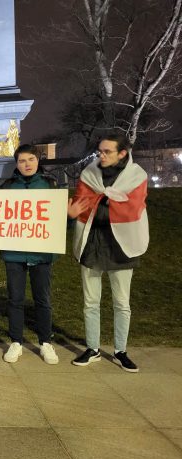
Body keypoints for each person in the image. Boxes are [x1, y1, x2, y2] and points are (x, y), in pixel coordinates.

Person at [68, 134, 149, 373]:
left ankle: (120, 350)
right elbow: (80, 204)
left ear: (122, 153)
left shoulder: (137, 176)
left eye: (107, 152)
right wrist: (100, 204)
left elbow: (132, 208)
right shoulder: (89, 175)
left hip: (122, 246)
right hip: (92, 244)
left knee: (122, 302)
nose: (100, 155)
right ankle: (92, 348)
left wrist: (98, 204)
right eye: (99, 151)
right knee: (90, 301)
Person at [0, 145, 60, 364]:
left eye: (31, 159)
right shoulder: (7, 187)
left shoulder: (50, 185)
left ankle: (45, 342)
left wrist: (69, 217)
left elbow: (59, 219)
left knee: (42, 300)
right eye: (22, 160)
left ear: (38, 160)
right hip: (14, 253)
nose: (27, 164)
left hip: (41, 253)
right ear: (16, 164)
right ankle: (16, 341)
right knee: (15, 299)